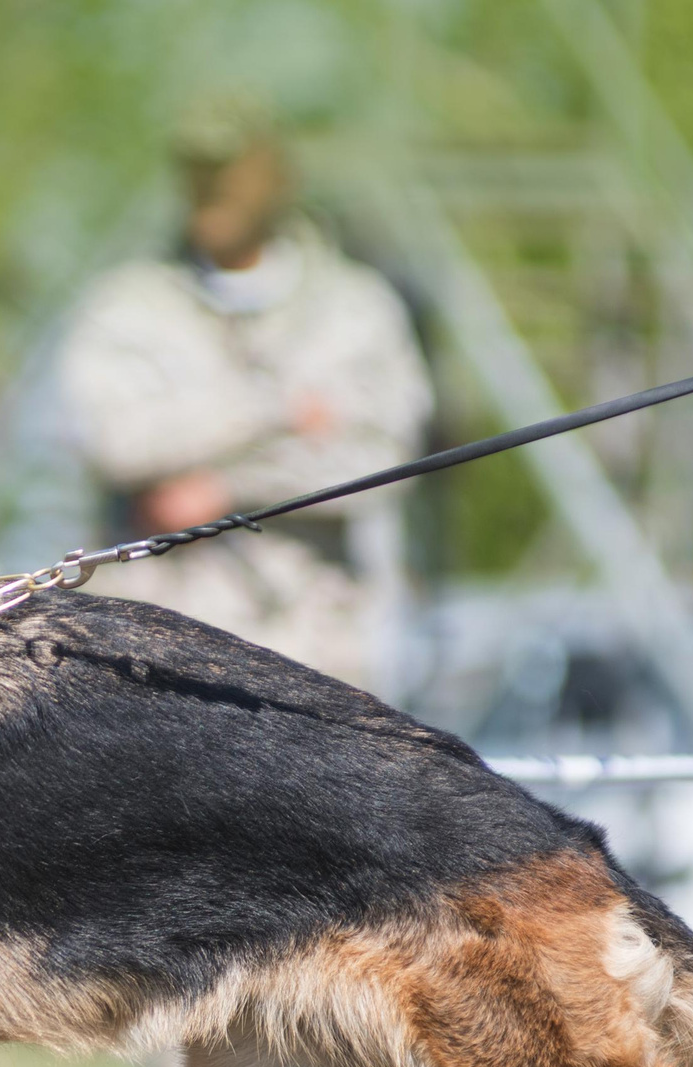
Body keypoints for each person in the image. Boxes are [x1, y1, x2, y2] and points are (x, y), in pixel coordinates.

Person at [57, 99, 433, 692]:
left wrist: (224, 490)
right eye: (198, 171)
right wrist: (277, 411)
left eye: (231, 169)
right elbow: (113, 440)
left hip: (320, 646)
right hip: (157, 649)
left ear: (278, 177)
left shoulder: (357, 308)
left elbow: (385, 459)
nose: (214, 189)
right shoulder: (128, 306)